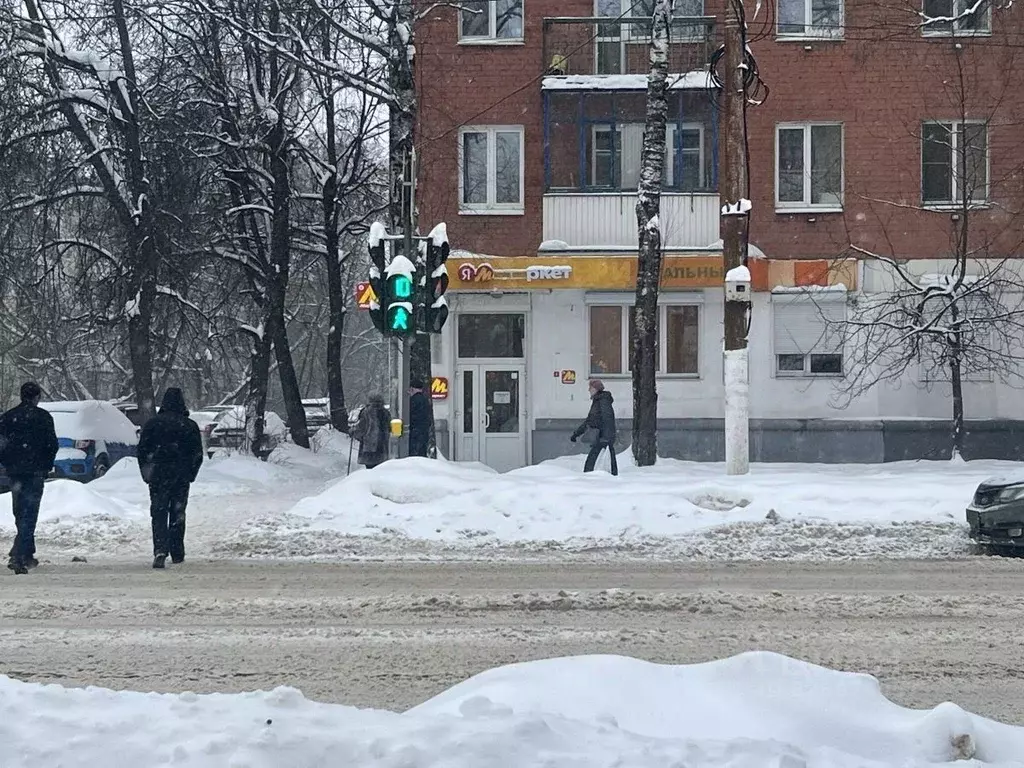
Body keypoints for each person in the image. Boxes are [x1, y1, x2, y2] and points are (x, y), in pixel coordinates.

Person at [137, 388, 204, 569]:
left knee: (159, 512)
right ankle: (177, 551)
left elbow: (142, 450)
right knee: (177, 512)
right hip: (180, 476)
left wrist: (147, 473)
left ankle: (160, 549)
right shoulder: (189, 426)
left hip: (158, 475)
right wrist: (191, 473)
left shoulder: (153, 424)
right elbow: (197, 453)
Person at [0, 382, 58, 575]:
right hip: (35, 471)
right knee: (29, 513)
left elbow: (1, 445)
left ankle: (25, 551)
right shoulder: (43, 418)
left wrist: (7, 463)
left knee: (20, 512)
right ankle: (20, 555)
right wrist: (46, 465)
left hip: (15, 472)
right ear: (37, 397)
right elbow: (52, 444)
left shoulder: (8, 418)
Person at [570, 378, 618, 476]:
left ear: (596, 389)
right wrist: (576, 434)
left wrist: (606, 437)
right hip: (601, 436)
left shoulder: (603, 400)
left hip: (603, 437)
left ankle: (590, 477)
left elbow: (608, 418)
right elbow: (589, 421)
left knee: (593, 461)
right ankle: (611, 476)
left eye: (590, 388)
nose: (589, 390)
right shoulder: (598, 401)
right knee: (606, 459)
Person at [352, 394, 389, 469]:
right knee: (380, 469)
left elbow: (362, 428)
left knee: (370, 469)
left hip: (369, 448)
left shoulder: (366, 412)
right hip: (382, 447)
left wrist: (353, 432)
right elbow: (389, 428)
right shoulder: (385, 413)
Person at [408, 378, 431, 458]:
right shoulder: (425, 400)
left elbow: (411, 416)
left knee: (414, 455)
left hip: (415, 431)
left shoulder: (413, 401)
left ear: (412, 388)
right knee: (421, 454)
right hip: (424, 431)